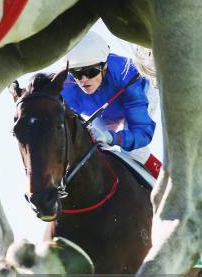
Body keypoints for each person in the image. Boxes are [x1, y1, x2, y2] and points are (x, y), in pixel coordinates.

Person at [61, 30, 162, 178]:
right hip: (106, 110)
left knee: (133, 151)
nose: (83, 80)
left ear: (104, 66)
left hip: (140, 95)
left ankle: (170, 184)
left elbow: (141, 133)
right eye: (76, 73)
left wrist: (111, 137)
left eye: (90, 72)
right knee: (95, 148)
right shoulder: (67, 87)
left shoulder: (126, 77)